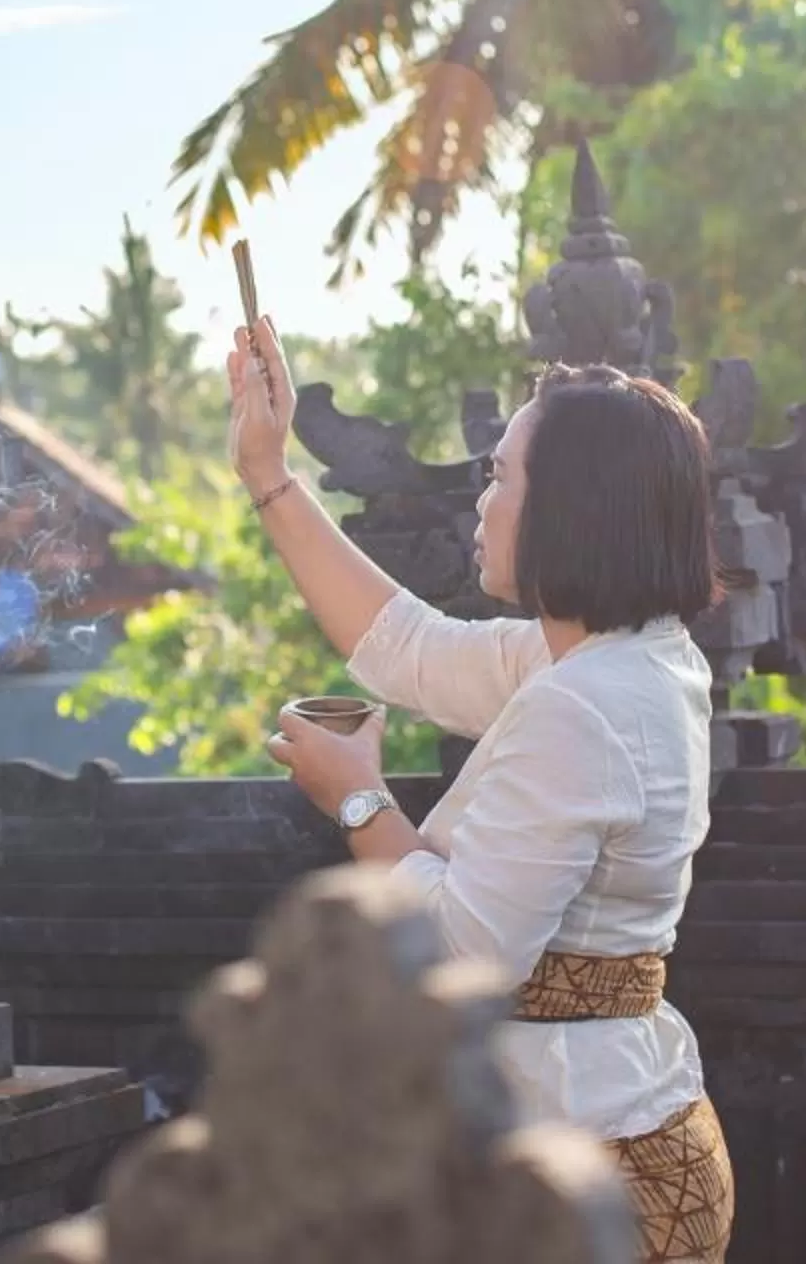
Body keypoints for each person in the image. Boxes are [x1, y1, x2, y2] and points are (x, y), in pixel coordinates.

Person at [229, 316, 733, 1264]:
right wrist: (269, 471)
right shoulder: (619, 659)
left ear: (568, 510)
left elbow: (467, 953)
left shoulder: (585, 702)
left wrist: (359, 800)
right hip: (608, 1136)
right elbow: (407, 649)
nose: (483, 500)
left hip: (593, 1168)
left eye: (501, 477)